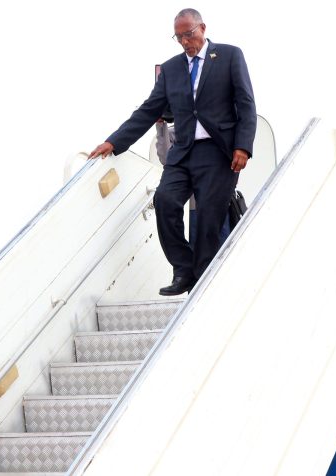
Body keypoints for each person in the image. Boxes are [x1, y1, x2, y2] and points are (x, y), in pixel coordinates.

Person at [89, 8, 257, 296]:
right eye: (178, 37)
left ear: (202, 28)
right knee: (165, 201)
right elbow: (148, 110)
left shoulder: (230, 56)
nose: (184, 42)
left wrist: (243, 146)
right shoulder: (170, 69)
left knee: (208, 217)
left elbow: (246, 103)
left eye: (188, 35)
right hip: (183, 152)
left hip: (218, 153)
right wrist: (114, 142)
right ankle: (183, 268)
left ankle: (201, 281)